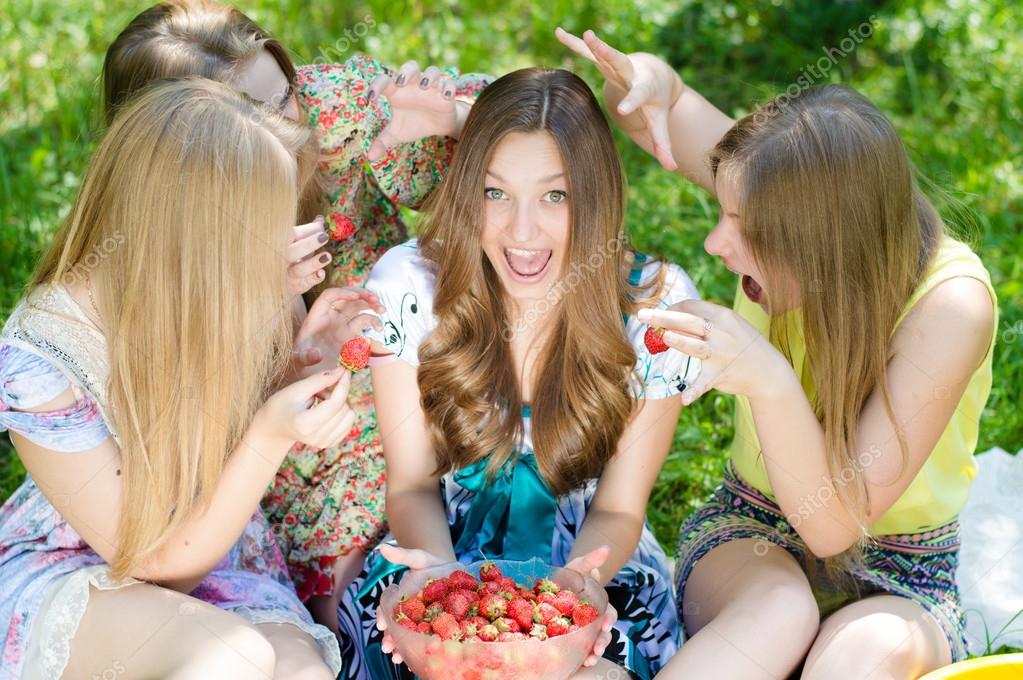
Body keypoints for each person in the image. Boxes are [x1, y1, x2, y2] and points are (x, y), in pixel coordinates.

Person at [558, 29, 998, 679]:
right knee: (777, 614)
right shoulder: (782, 179)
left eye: (742, 228)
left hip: (900, 568)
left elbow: (836, 527)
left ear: (824, 246)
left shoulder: (949, 308)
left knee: (863, 654)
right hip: (753, 531)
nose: (713, 243)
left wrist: (767, 377)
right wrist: (644, 81)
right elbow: (670, 103)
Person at [101, 0, 495, 624]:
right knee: (387, 613)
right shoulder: (156, 238)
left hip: (420, 369)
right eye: (249, 116)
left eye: (281, 96)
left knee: (509, 548)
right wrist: (266, 296)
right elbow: (219, 414)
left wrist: (454, 121)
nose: (290, 130)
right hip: (310, 439)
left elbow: (537, 139)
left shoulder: (328, 111)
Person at [339, 67, 704, 680]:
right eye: (495, 192)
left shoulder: (652, 311)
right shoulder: (409, 288)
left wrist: (565, 598)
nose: (523, 231)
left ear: (595, 197)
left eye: (555, 196)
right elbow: (410, 487)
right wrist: (440, 582)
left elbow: (618, 509)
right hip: (442, 550)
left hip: (592, 562)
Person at [0, 78, 358, 679]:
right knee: (230, 660)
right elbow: (154, 563)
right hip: (88, 570)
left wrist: (296, 364)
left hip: (219, 549)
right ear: (200, 234)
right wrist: (271, 434)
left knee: (303, 673)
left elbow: (213, 428)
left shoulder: (215, 290)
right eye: (269, 220)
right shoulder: (40, 357)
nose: (283, 238)